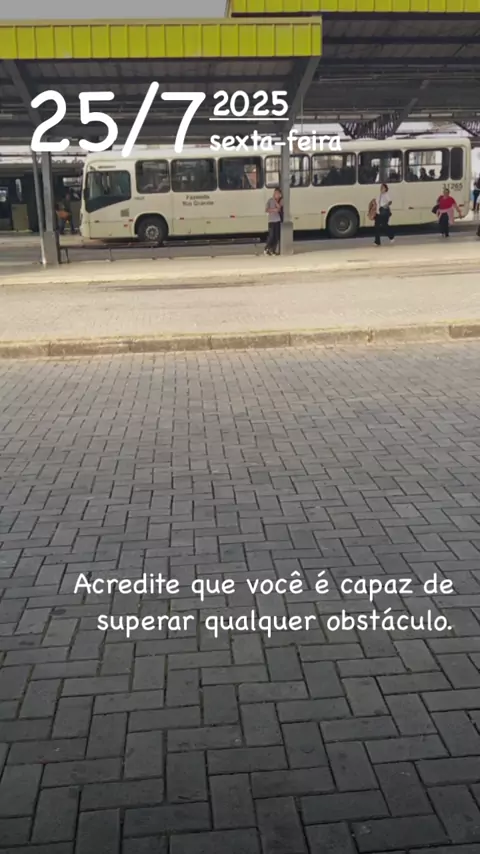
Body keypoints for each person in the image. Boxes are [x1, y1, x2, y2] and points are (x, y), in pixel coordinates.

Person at [264, 187, 283, 256]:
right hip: (271, 220)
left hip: (277, 220)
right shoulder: (270, 200)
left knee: (276, 237)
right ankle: (266, 248)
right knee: (271, 236)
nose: (275, 194)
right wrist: (274, 210)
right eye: (275, 193)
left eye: (277, 193)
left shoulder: (280, 201)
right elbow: (266, 210)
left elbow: (279, 208)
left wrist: (275, 201)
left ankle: (273, 250)